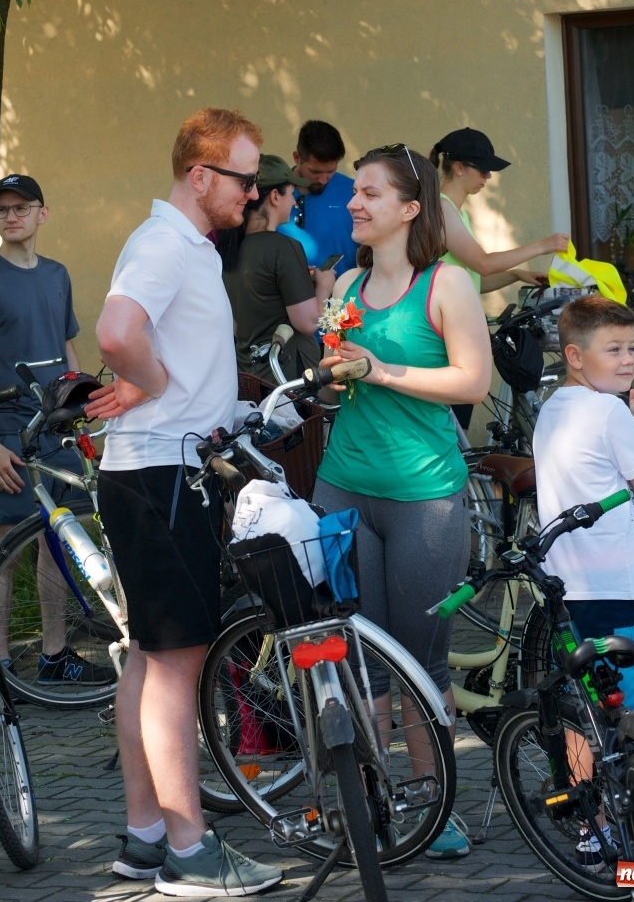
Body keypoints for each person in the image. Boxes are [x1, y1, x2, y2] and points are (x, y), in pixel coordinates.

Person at [86, 109, 282, 897]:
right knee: (175, 665)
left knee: (149, 659)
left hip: (158, 471)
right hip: (162, 475)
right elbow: (115, 330)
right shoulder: (165, 243)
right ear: (201, 176)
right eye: (245, 177)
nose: (255, 191)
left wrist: (209, 402)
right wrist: (156, 386)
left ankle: (144, 839)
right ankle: (192, 852)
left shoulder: (185, 245)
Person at [311, 143, 492, 861]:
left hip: (424, 497)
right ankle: (374, 799)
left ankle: (433, 801)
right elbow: (336, 381)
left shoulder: (446, 284)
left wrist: (380, 369)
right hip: (343, 486)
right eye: (355, 192)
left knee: (421, 661)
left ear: (410, 209)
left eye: (369, 193)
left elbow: (472, 383)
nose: (353, 203)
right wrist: (332, 375)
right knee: (354, 656)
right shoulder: (346, 285)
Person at [532, 294, 634, 870]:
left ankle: (593, 830)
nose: (627, 360)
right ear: (574, 355)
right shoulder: (610, 413)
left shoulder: (554, 407)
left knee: (586, 707)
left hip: (570, 587)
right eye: (612, 349)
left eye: (632, 348)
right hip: (620, 584)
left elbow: (594, 464)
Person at [0, 173, 114, 686]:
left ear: (43, 214)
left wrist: (81, 403)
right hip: (6, 429)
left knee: (58, 538)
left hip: (54, 423)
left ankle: (55, 656)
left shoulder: (57, 274)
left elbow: (66, 348)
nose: (11, 217)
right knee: (4, 547)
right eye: (1, 210)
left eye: (21, 208)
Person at [429, 126, 570, 427]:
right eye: (483, 170)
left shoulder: (457, 211)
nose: (488, 177)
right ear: (458, 167)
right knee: (451, 425)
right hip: (444, 337)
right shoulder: (442, 209)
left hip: (458, 333)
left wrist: (517, 275)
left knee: (458, 423)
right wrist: (542, 245)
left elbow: (472, 280)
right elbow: (482, 263)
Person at [219, 154, 337, 381]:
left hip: (247, 374)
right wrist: (324, 285)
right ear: (274, 196)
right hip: (287, 379)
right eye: (291, 194)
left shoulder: (229, 247)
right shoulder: (283, 247)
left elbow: (236, 324)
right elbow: (308, 323)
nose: (294, 202)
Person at [277, 119, 357, 269]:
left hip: (342, 291)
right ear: (297, 157)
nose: (323, 180)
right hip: (284, 291)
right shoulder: (273, 192)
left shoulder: (354, 193)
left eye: (331, 172)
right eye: (315, 172)